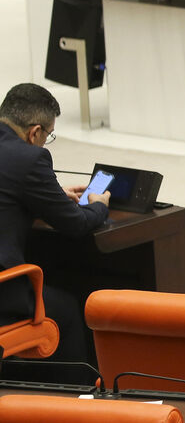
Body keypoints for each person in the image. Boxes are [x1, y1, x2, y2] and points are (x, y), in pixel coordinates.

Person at [0, 83, 110, 383]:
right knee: (68, 309)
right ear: (34, 132)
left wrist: (48, 195)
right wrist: (98, 205)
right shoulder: (30, 159)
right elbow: (76, 224)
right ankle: (76, 396)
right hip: (3, 293)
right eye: (48, 135)